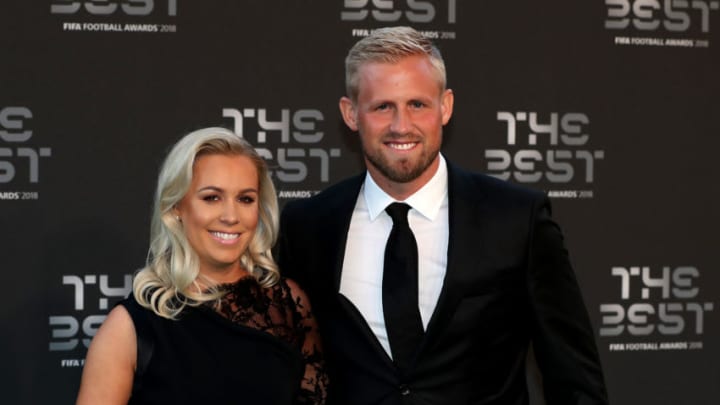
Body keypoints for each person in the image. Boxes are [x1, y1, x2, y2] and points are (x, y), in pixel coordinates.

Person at [278, 27, 608, 404]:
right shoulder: (309, 226)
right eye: (382, 106)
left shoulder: (517, 219)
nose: (401, 125)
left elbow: (575, 378)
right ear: (351, 114)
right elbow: (288, 365)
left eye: (417, 104)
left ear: (446, 107)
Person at [77, 127, 328, 405]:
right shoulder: (129, 328)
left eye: (245, 199)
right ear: (176, 208)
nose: (231, 216)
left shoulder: (288, 304)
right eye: (212, 198)